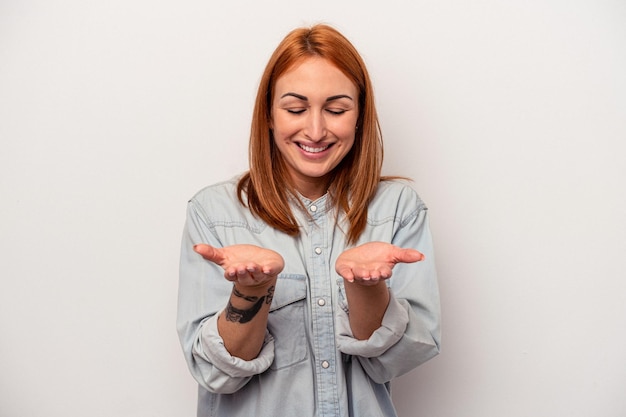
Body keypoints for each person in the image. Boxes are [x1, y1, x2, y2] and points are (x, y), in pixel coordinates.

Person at [177, 24, 441, 417]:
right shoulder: (214, 213)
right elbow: (214, 373)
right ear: (268, 113)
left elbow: (399, 359)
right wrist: (252, 292)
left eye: (336, 110)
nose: (315, 130)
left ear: (360, 116)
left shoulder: (399, 209)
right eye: (296, 109)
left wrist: (367, 288)